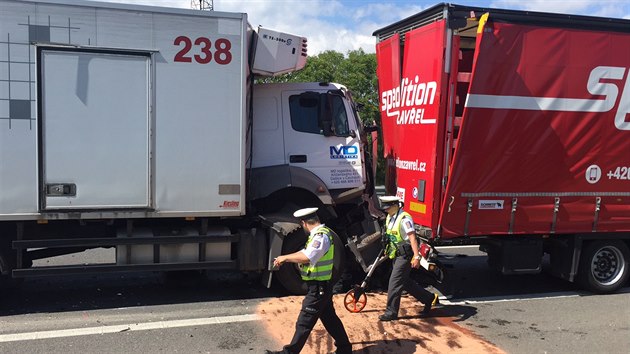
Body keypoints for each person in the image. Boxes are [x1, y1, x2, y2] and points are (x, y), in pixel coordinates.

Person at [265, 207, 352, 354]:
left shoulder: (320, 236)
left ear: (304, 223)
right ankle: (345, 348)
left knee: (304, 321)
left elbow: (308, 257)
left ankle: (289, 352)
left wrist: (285, 258)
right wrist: (286, 257)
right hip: (320, 286)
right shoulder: (317, 235)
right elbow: (304, 252)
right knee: (330, 319)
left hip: (319, 287)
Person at [378, 195, 439, 321]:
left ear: (395, 206)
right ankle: (428, 298)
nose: (386, 210)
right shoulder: (390, 217)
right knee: (404, 282)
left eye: (388, 208)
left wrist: (416, 257)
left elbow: (412, 238)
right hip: (396, 254)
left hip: (405, 255)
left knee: (394, 283)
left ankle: (391, 312)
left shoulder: (404, 219)